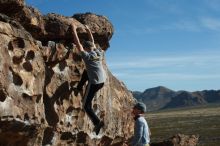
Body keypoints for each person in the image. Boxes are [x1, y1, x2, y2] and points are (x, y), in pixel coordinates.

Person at [70, 23, 106, 135]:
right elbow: (92, 41)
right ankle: (79, 87)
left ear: (86, 48)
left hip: (94, 82)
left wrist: (74, 29)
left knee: (86, 105)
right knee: (86, 71)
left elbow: (77, 43)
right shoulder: (98, 52)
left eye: (84, 48)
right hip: (102, 80)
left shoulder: (87, 56)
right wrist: (88, 30)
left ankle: (97, 122)